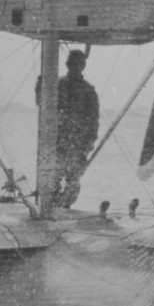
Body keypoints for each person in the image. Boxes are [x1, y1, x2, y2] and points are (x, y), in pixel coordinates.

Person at [35, 49, 100, 208]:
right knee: (53, 177)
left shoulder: (88, 91)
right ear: (67, 64)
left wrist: (90, 142)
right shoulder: (55, 85)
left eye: (79, 64)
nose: (76, 67)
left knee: (73, 179)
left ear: (83, 66)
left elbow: (93, 119)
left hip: (76, 141)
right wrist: (40, 85)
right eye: (73, 63)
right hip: (56, 139)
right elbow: (42, 103)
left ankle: (65, 206)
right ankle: (53, 205)